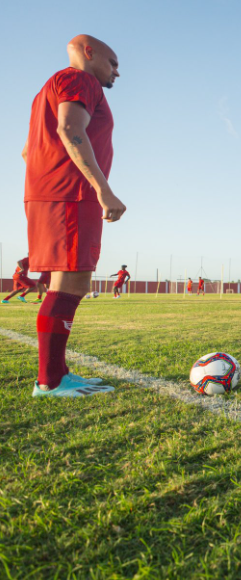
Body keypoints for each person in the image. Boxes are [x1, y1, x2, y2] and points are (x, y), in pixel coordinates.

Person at [20, 35, 124, 396]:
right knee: (72, 283)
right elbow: (69, 128)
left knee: (67, 282)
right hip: (71, 194)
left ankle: (57, 373)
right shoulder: (80, 79)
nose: (117, 72)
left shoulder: (48, 89)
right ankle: (49, 381)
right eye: (113, 63)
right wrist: (102, 188)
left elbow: (27, 150)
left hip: (52, 193)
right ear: (88, 52)